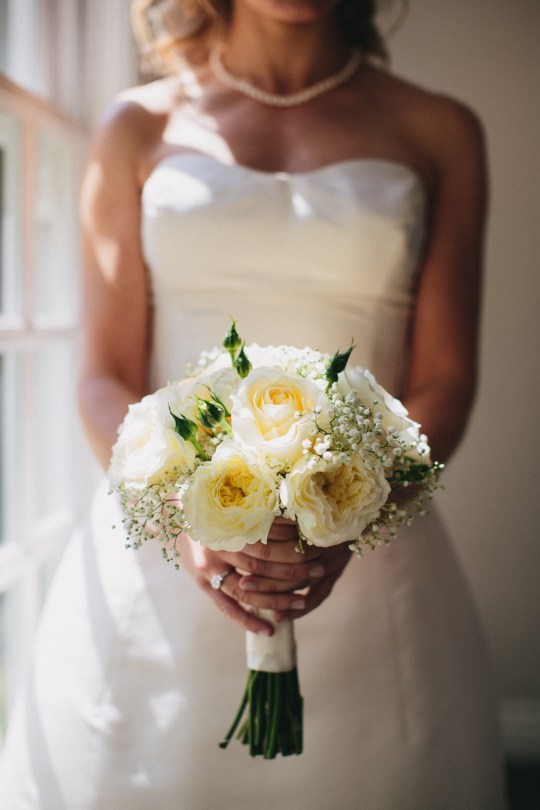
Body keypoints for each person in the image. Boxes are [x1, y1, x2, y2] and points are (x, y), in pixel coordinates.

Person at [0, 0, 507, 807]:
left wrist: (352, 519)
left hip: (367, 547)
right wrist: (184, 517)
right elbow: (103, 374)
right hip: (162, 548)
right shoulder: (135, 126)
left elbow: (447, 379)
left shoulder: (440, 129)